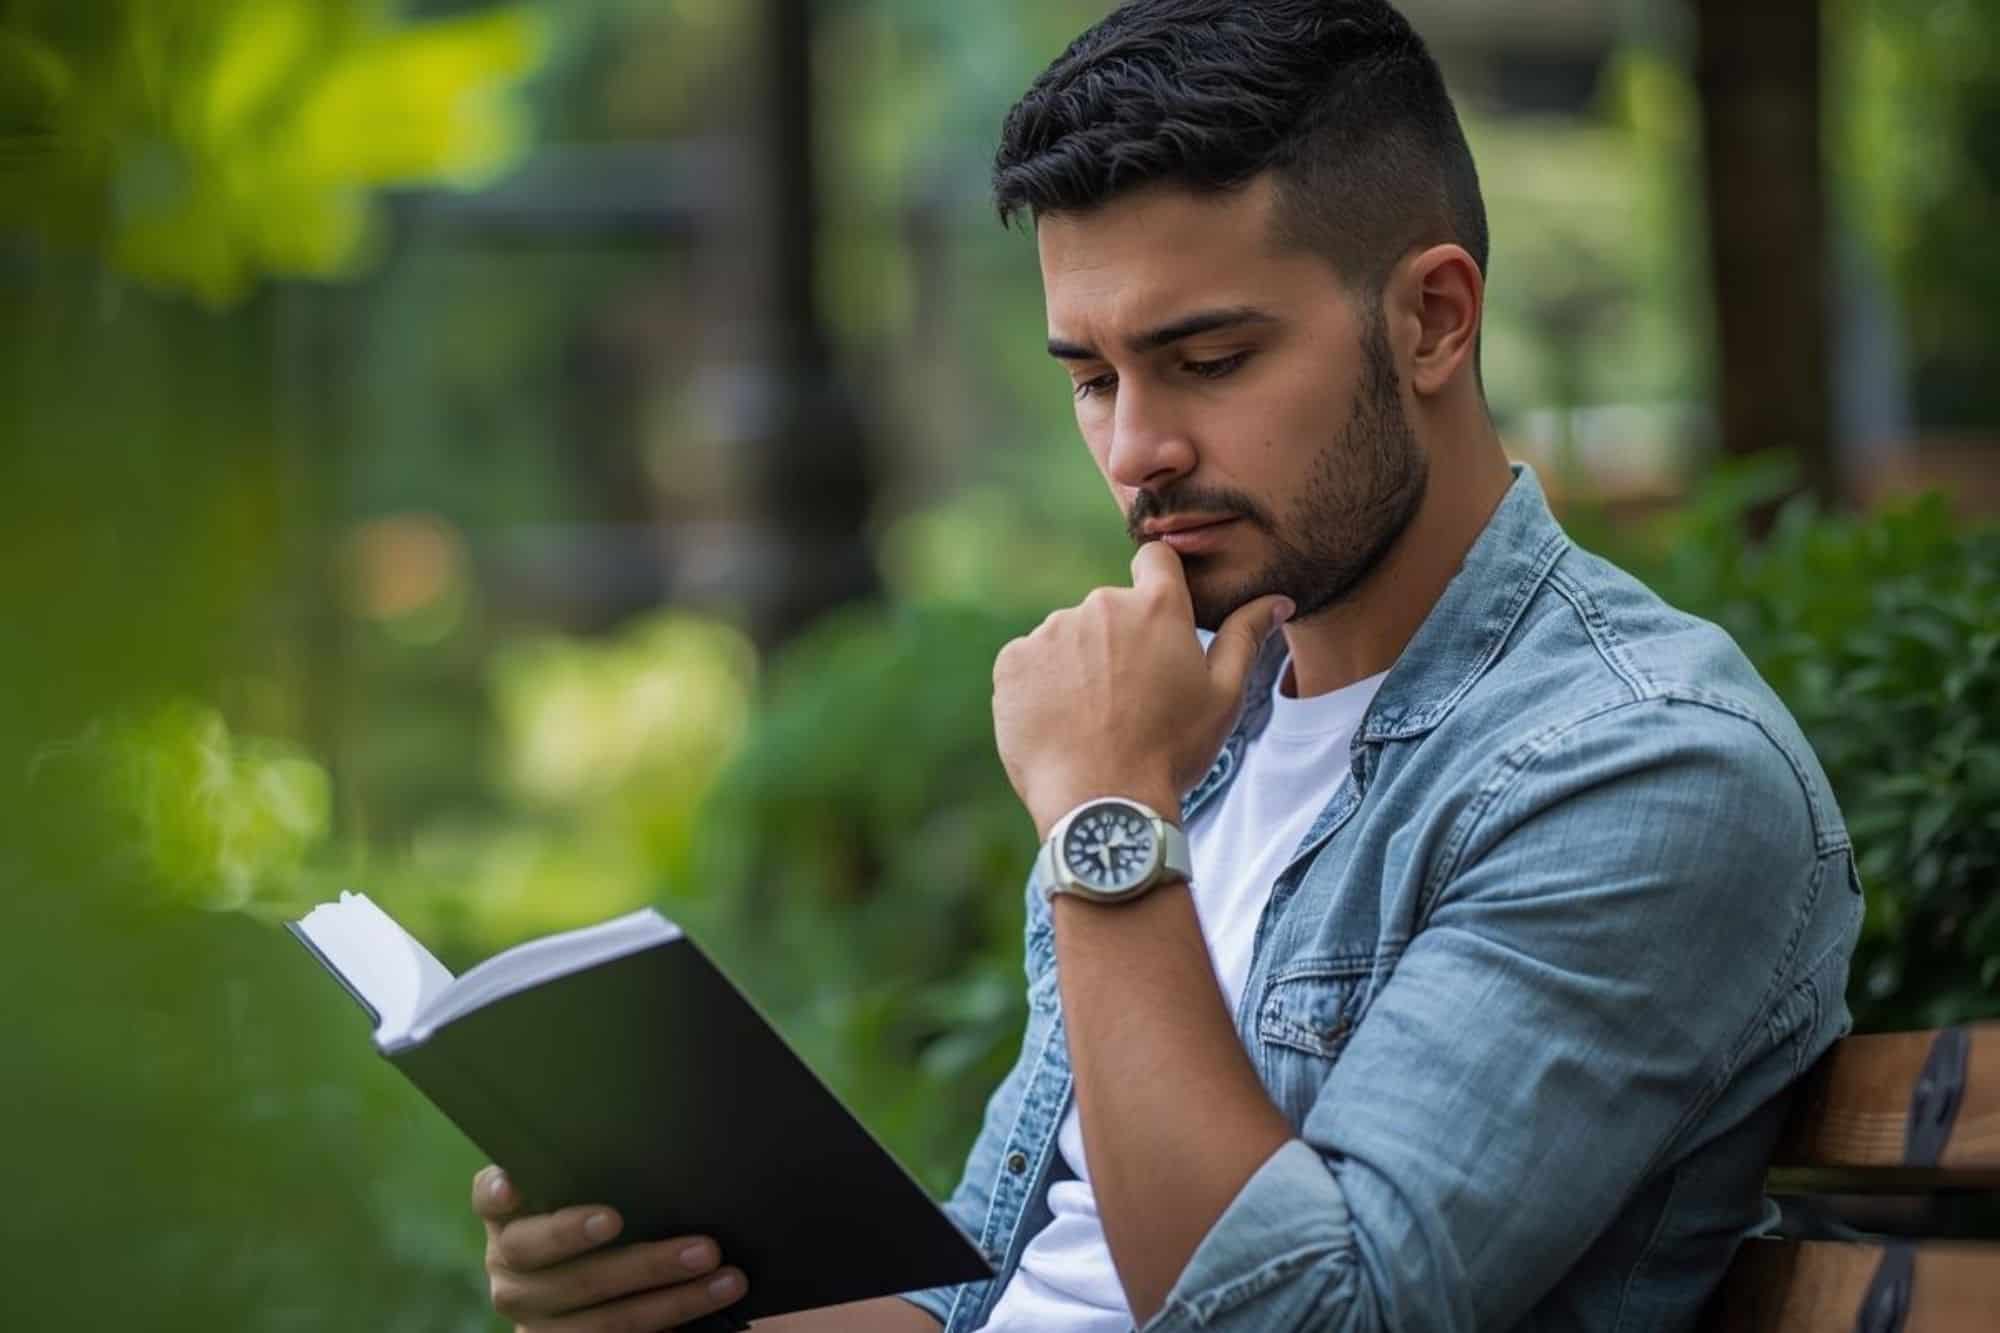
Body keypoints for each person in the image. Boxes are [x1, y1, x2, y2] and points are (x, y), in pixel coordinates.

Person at [473, 2, 1863, 1329]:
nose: (1137, 449)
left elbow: (1309, 1315)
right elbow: (1012, 1281)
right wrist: (666, 1298)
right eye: (1092, 377)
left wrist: (1106, 819)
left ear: (1434, 320)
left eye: (1206, 358)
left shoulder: (1645, 767)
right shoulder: (1192, 729)